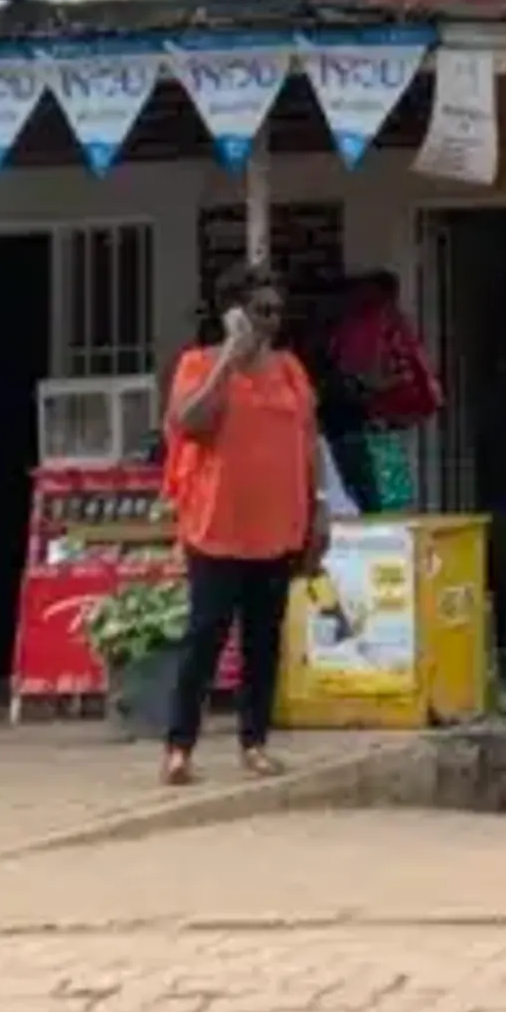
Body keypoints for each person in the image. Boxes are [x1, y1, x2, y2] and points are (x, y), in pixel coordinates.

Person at [158, 262, 328, 786]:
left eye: (277, 311)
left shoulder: (290, 370)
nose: (270, 322)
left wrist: (319, 507)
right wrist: (227, 361)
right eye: (261, 311)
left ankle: (254, 741)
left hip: (277, 525)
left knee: (263, 640)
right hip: (217, 525)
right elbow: (190, 422)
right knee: (205, 636)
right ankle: (179, 746)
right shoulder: (199, 364)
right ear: (233, 313)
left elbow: (309, 439)